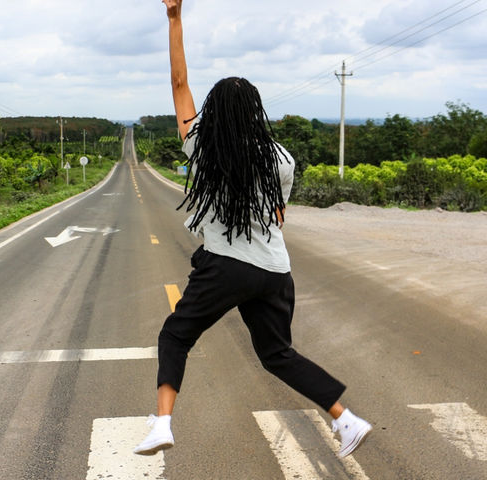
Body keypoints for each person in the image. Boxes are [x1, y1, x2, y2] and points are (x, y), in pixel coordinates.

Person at [134, 0, 372, 459]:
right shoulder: (281, 158)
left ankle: (162, 422)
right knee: (278, 354)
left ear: (214, 113)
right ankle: (347, 419)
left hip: (226, 266)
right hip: (275, 271)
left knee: (175, 335)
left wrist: (174, 19)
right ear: (255, 111)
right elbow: (278, 216)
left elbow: (179, 83)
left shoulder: (203, 146)